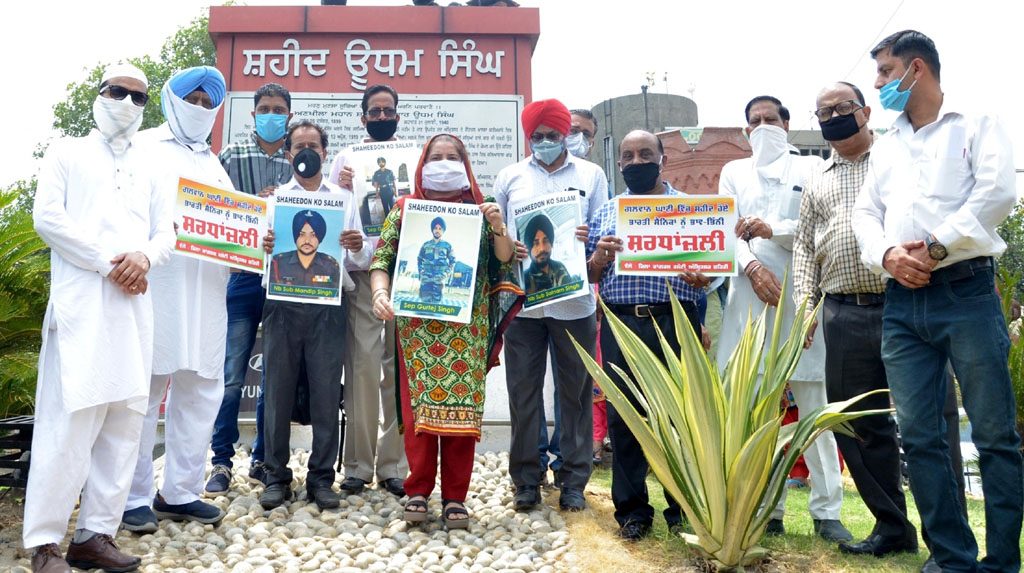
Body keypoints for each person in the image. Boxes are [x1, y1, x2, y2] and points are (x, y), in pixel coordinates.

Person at [853, 30, 1022, 572]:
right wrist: (888, 256)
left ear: (916, 69)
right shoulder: (888, 143)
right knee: (920, 436)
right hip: (902, 301)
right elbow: (865, 214)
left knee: (994, 434)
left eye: (884, 71)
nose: (878, 84)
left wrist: (934, 246)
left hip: (966, 291)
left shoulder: (976, 123)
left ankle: (999, 563)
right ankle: (951, 558)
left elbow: (997, 193)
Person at [24, 63, 173, 573]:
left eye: (139, 98)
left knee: (125, 421)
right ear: (99, 94)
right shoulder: (66, 151)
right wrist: (110, 262)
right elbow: (48, 218)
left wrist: (146, 258)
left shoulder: (151, 164)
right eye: (118, 93)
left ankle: (95, 536)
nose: (128, 104)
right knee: (67, 426)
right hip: (83, 303)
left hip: (133, 306)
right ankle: (44, 545)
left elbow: (165, 230)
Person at [716, 95, 851, 543]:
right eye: (754, 121)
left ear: (787, 125)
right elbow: (724, 229)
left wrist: (775, 230)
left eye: (770, 119)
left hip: (801, 296)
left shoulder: (814, 168)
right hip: (748, 299)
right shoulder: (733, 172)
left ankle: (827, 511)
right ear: (744, 130)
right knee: (757, 409)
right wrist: (752, 267)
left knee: (815, 408)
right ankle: (766, 508)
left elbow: (820, 227)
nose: (762, 127)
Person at [792, 81, 918, 555]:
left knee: (923, 420)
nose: (832, 117)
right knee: (859, 426)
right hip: (841, 313)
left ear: (865, 111)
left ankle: (944, 535)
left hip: (903, 304)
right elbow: (804, 247)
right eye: (822, 111)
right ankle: (892, 528)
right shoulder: (818, 180)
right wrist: (806, 306)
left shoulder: (896, 160)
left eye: (841, 107)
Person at [370, 133, 520, 528]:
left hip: (465, 332)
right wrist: (381, 293)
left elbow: (503, 260)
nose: (444, 162)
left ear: (466, 163)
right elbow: (383, 257)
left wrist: (498, 225)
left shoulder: (480, 209)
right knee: (416, 408)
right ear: (423, 163)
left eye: (453, 156)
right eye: (436, 157)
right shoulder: (405, 208)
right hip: (417, 329)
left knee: (463, 413)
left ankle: (456, 496)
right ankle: (417, 489)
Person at [122, 66, 232, 533]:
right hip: (156, 286)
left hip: (207, 292)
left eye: (210, 104)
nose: (200, 110)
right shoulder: (142, 147)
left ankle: (181, 491)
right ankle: (131, 496)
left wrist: (257, 241)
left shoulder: (213, 163)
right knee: (144, 391)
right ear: (170, 99)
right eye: (193, 101)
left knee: (202, 389)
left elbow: (235, 227)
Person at [585, 129, 709, 540]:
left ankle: (682, 508)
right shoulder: (606, 211)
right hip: (620, 323)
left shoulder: (690, 211)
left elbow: (709, 279)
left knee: (681, 416)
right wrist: (600, 257)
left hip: (674, 321)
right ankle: (633, 512)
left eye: (645, 154)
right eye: (628, 156)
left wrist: (702, 280)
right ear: (618, 164)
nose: (636, 162)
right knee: (624, 418)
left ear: (663, 159)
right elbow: (589, 275)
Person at [494, 98, 608, 512]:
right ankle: (525, 478)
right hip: (524, 306)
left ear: (567, 135)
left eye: (553, 135)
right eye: (537, 136)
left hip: (574, 304)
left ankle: (573, 480)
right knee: (523, 394)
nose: (544, 142)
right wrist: (510, 243)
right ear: (528, 137)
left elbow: (601, 235)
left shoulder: (591, 176)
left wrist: (586, 240)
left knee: (575, 395)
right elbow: (500, 243)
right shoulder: (510, 177)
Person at [259, 119, 367, 511]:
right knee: (277, 392)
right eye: (298, 145)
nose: (306, 152)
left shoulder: (344, 199)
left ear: (325, 152)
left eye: (314, 145)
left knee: (325, 392)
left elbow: (360, 258)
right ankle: (276, 476)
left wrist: (356, 246)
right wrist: (264, 245)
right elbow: (254, 257)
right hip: (282, 306)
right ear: (288, 153)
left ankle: (321, 478)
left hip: (328, 305)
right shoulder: (272, 201)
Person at [206, 82, 294, 496]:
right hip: (241, 273)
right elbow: (216, 208)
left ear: (289, 116)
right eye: (265, 108)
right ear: (254, 114)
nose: (272, 114)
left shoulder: (301, 160)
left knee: (275, 375)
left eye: (279, 109)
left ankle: (262, 459)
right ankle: (220, 461)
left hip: (285, 279)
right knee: (230, 374)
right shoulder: (230, 156)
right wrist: (255, 205)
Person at [328, 84, 408, 498]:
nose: (380, 117)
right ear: (362, 118)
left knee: (398, 371)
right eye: (373, 112)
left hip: (404, 278)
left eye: (387, 111)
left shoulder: (413, 158)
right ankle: (358, 465)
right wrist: (343, 188)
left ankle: (393, 464)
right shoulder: (346, 159)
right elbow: (331, 207)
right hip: (361, 278)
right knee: (361, 367)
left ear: (397, 115)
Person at [270, 210, 342, 289]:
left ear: (320, 238)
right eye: (302, 235)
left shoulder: (330, 264)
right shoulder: (279, 262)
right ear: (295, 237)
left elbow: (334, 294)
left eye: (313, 235)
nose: (307, 241)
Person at [522, 214, 575, 295]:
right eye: (536, 243)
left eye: (546, 240)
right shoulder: (525, 278)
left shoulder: (560, 267)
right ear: (529, 248)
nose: (542, 248)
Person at [416, 217, 456, 302]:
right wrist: (421, 271)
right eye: (435, 228)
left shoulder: (447, 246)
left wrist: (446, 273)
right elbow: (419, 259)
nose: (437, 231)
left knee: (437, 303)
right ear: (432, 230)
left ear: (443, 231)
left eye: (440, 229)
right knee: (424, 302)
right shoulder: (425, 245)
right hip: (426, 277)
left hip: (439, 278)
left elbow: (453, 261)